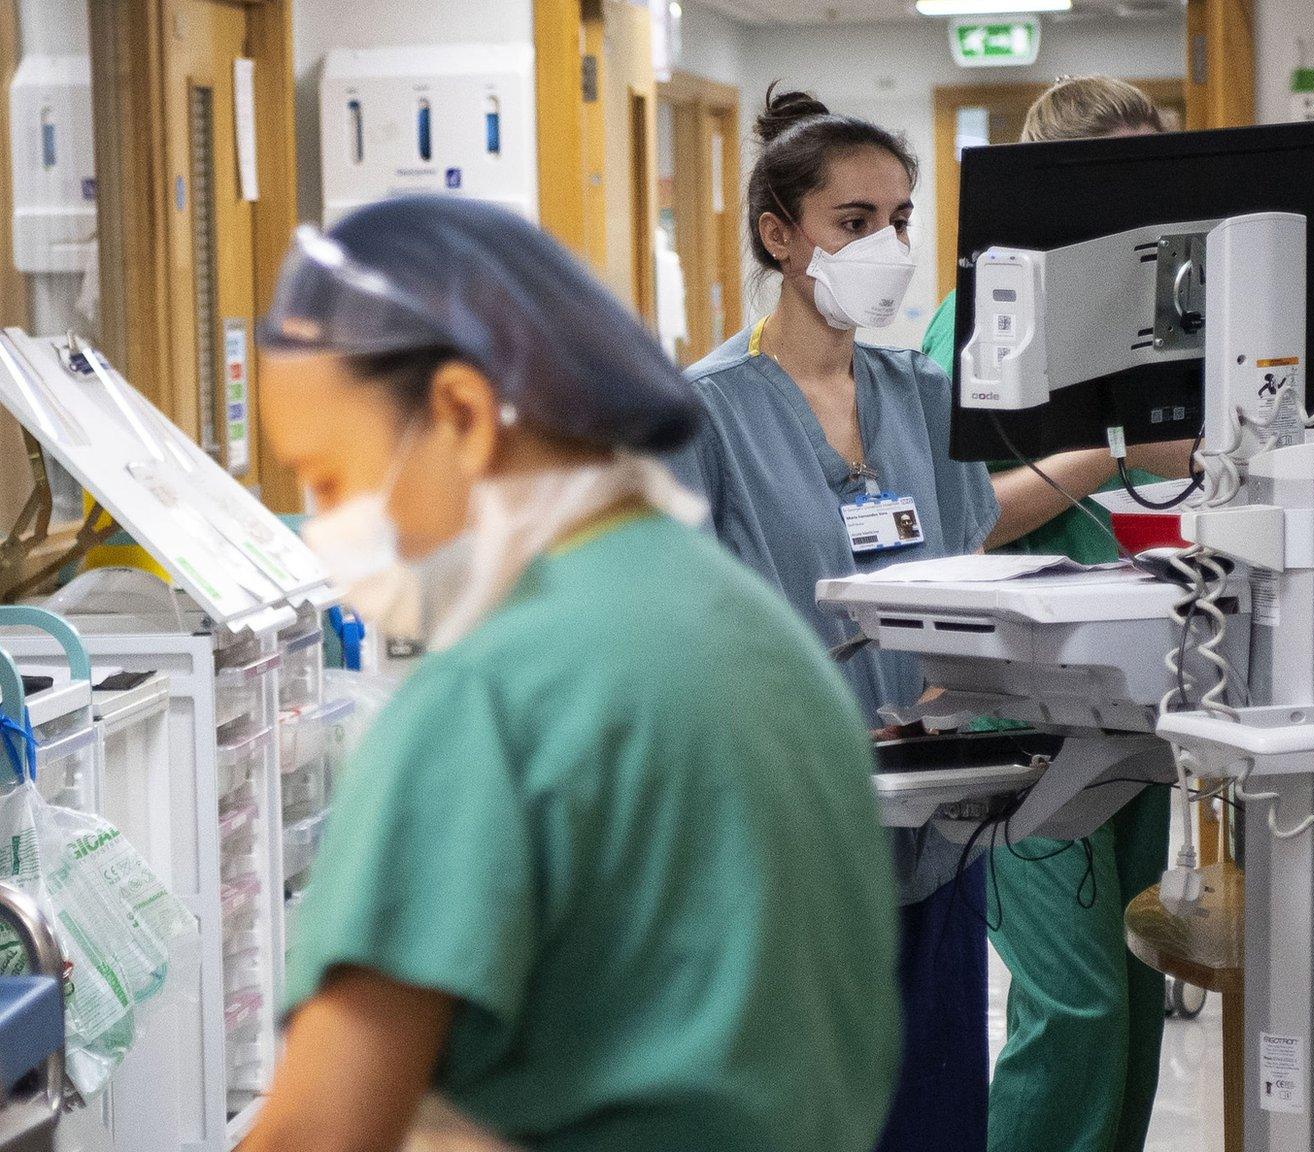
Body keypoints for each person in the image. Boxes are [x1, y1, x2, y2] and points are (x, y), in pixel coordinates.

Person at [239, 196, 901, 1152]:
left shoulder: (491, 697)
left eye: (330, 478)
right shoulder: (757, 632)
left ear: (461, 415)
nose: (327, 529)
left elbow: (319, 1136)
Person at [668, 90, 999, 1152]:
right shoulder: (703, 414)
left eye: (899, 220)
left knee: (936, 1118)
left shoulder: (926, 398)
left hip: (936, 839)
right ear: (782, 234)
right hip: (787, 851)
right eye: (854, 222)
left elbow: (965, 586)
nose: (886, 246)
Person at [919, 75, 1189, 1152]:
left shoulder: (1149, 322)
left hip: (1131, 689)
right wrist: (1115, 451)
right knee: (1071, 1002)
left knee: (1127, 995)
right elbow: (966, 517)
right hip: (1018, 708)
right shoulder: (978, 319)